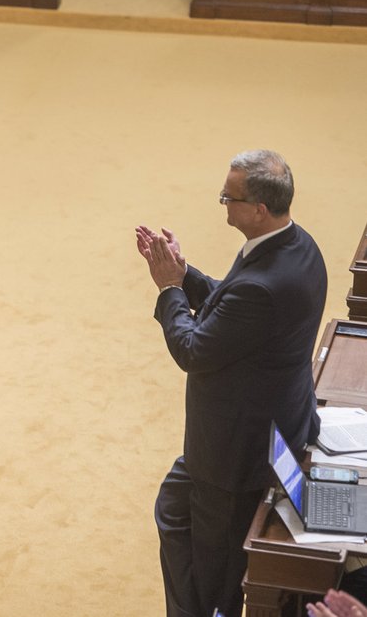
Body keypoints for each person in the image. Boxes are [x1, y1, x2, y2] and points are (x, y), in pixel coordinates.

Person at [135, 149, 327, 616]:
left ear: (258, 209)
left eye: (229, 197)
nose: (223, 203)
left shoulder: (263, 285)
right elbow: (234, 306)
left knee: (215, 572)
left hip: (234, 453)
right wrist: (187, 275)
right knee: (174, 510)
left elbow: (194, 350)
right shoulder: (297, 246)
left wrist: (169, 290)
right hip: (264, 427)